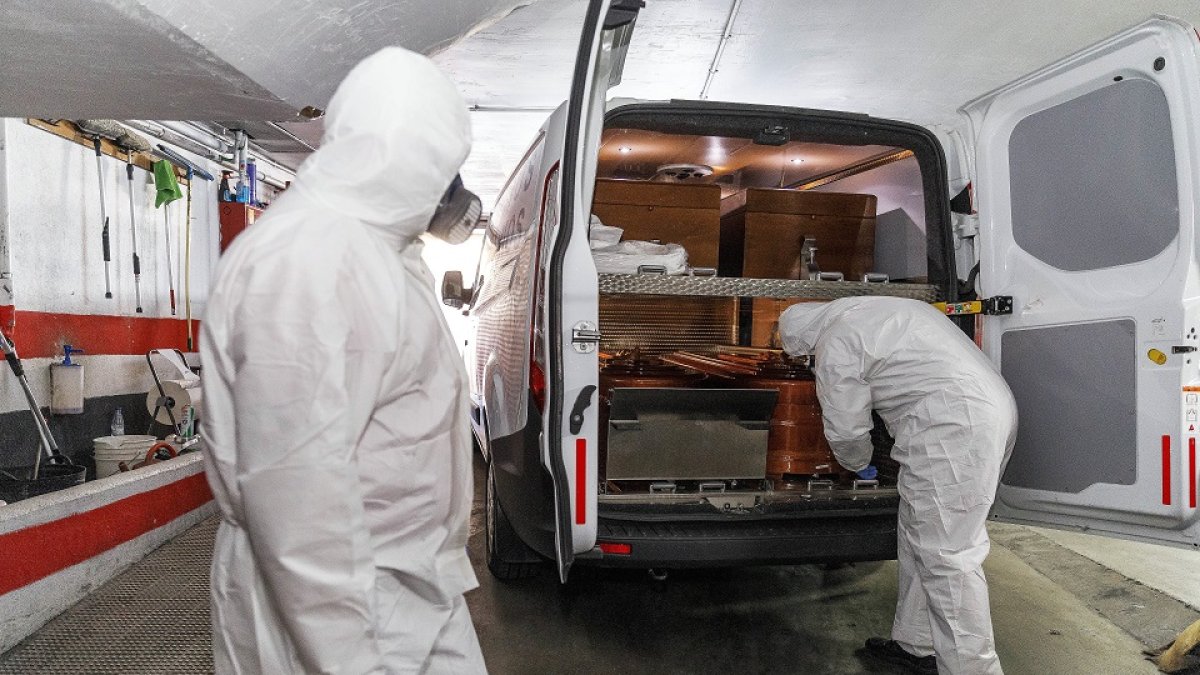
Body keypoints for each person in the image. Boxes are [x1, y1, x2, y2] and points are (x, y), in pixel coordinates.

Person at [201, 47, 486, 674]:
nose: (453, 192)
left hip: (404, 588)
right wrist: (352, 661)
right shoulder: (309, 266)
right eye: (444, 168)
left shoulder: (372, 245)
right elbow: (298, 506)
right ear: (407, 158)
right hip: (343, 608)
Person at [779, 297, 1017, 675]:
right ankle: (917, 645)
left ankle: (973, 670)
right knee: (917, 535)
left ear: (803, 341)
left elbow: (846, 429)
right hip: (989, 408)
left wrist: (859, 466)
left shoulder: (835, 341)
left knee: (947, 556)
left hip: (951, 427)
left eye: (803, 356)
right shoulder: (885, 309)